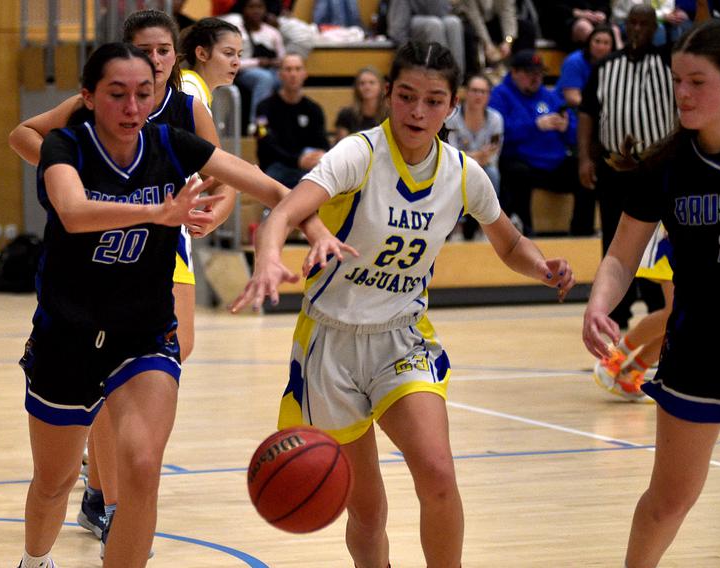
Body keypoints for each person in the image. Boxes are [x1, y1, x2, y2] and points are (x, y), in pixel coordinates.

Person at [231, 40, 574, 568]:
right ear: (388, 94)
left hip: (401, 336)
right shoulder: (358, 155)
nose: (418, 111)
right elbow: (282, 212)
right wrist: (269, 257)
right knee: (366, 511)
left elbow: (508, 243)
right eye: (407, 96)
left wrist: (541, 265)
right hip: (332, 344)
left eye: (434, 100)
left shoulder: (463, 174)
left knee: (438, 473)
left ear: (453, 106)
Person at [14, 40, 333, 568]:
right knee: (55, 482)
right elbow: (72, 211)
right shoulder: (64, 147)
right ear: (89, 97)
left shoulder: (173, 144)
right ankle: (34, 560)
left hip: (143, 333)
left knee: (141, 467)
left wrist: (311, 231)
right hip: (66, 336)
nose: (133, 107)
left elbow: (275, 191)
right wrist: (155, 215)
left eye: (144, 93)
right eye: (117, 94)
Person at [582, 20, 720, 568]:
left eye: (698, 82)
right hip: (698, 352)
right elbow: (620, 255)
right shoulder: (666, 167)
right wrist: (599, 302)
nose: (682, 94)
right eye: (677, 81)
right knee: (668, 502)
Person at [578, 4, 674, 329]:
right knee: (613, 238)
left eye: (644, 24)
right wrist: (584, 158)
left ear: (654, 28)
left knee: (655, 239)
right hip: (613, 168)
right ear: (625, 26)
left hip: (657, 167)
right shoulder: (605, 66)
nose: (637, 30)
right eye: (632, 23)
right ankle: (614, 313)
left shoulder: (668, 61)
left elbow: (700, 36)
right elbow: (588, 113)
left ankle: (659, 308)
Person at [489, 49, 595, 236]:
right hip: (520, 160)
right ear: (514, 73)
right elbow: (499, 133)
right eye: (530, 74)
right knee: (516, 172)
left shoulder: (549, 95)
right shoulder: (500, 95)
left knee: (586, 171)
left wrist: (566, 127)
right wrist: (535, 126)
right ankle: (524, 234)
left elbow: (574, 133)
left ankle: (582, 232)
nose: (536, 78)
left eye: (539, 74)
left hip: (552, 162)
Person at [593, 225, 673, 401]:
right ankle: (613, 358)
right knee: (674, 312)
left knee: (682, 322)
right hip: (672, 235)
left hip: (701, 236)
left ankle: (631, 374)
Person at [255, 53, 331, 188]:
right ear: (280, 74)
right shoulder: (264, 108)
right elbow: (265, 143)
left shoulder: (314, 109)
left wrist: (318, 156)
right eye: (288, 69)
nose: (293, 74)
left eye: (297, 69)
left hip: (306, 167)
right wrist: (296, 160)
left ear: (305, 74)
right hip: (277, 167)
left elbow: (323, 143)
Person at [445, 73, 503, 240]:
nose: (479, 95)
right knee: (456, 174)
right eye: (475, 90)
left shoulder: (495, 119)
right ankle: (457, 227)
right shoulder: (452, 117)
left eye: (483, 92)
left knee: (493, 174)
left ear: (489, 95)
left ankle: (485, 228)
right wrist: (478, 156)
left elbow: (493, 154)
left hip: (484, 166)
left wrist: (474, 157)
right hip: (456, 167)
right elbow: (451, 155)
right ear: (466, 93)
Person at [220, 0, 286, 133]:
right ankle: (256, 125)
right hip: (243, 71)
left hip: (270, 69)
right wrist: (258, 62)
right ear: (243, 10)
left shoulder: (272, 32)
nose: (256, 11)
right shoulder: (237, 31)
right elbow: (231, 62)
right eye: (251, 7)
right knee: (264, 78)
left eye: (260, 7)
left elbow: (283, 58)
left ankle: (282, 124)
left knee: (285, 77)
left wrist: (277, 63)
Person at [179, 17, 244, 112]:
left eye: (239, 55)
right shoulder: (188, 90)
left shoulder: (196, 89)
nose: (237, 63)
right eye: (228, 53)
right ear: (202, 54)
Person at [387, 0, 467, 74]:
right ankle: (438, 74)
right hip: (410, 35)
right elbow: (397, 30)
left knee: (453, 22)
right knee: (433, 24)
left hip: (436, 24)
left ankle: (457, 77)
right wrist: (407, 50)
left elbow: (442, 12)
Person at [554, 23, 616, 108]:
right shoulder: (574, 61)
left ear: (612, 47)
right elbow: (572, 98)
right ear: (589, 42)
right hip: (570, 109)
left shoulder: (615, 64)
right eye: (597, 41)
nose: (601, 47)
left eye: (606, 43)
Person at [333, 66, 389, 142]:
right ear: (357, 88)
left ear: (381, 87)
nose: (367, 87)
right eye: (362, 83)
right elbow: (342, 145)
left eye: (372, 83)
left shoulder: (390, 114)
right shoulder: (346, 114)